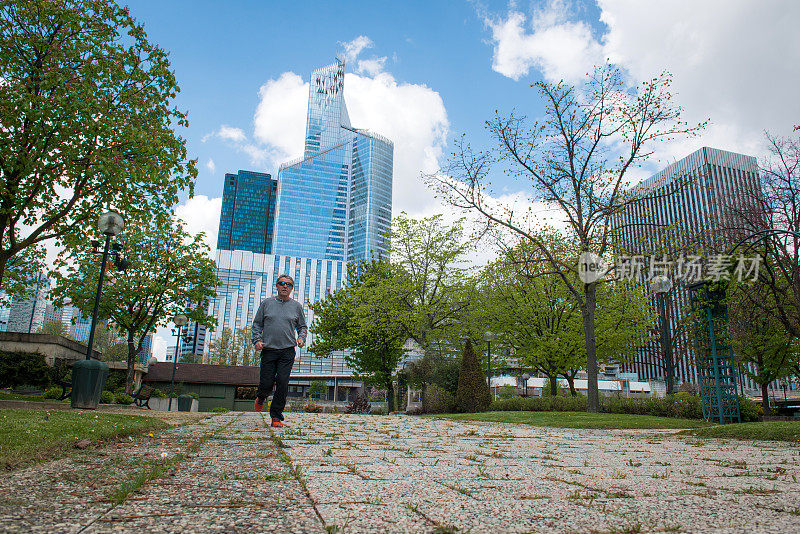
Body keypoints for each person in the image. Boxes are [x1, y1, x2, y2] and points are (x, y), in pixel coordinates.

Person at [251, 273, 307, 427]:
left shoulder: (296, 306)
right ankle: (261, 396)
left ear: (291, 288)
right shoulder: (266, 304)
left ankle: (276, 416)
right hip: (269, 349)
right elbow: (257, 325)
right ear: (276, 286)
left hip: (287, 351)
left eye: (288, 284)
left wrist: (301, 338)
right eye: (282, 283)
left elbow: (302, 327)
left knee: (282, 382)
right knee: (267, 383)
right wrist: (257, 340)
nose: (284, 286)